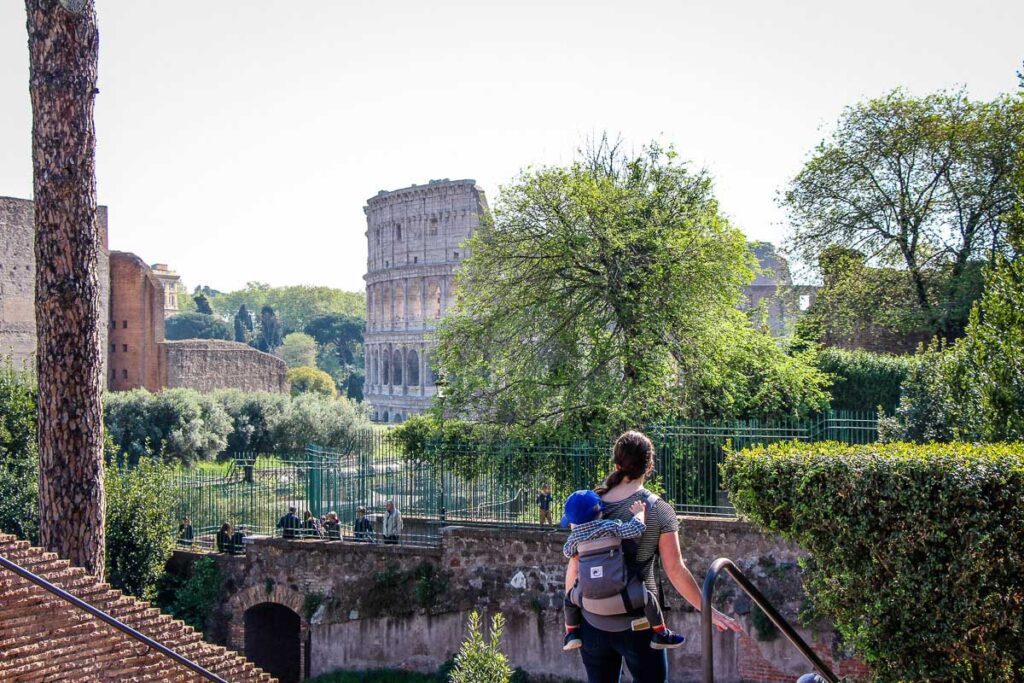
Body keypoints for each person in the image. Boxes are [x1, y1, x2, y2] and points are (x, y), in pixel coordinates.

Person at [565, 431, 741, 683]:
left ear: (616, 464)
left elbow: (574, 566)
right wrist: (709, 612)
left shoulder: (590, 504)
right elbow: (675, 569)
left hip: (592, 621)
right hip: (640, 622)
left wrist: (571, 623)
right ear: (650, 466)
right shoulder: (658, 509)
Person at [561, 490, 685, 651]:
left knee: (569, 601)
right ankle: (660, 633)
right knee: (648, 598)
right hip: (624, 597)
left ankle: (572, 634)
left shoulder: (574, 539)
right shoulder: (611, 526)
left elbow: (568, 553)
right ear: (601, 512)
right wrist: (639, 513)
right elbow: (636, 528)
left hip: (587, 599)